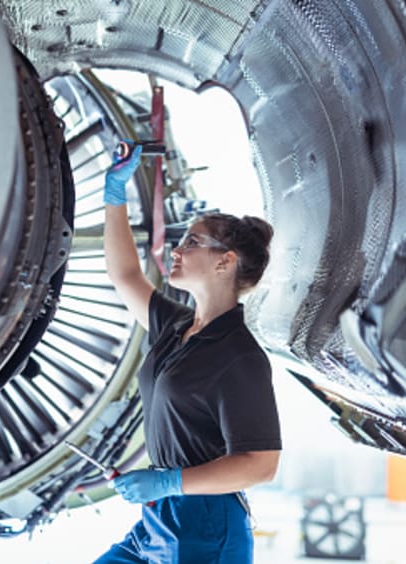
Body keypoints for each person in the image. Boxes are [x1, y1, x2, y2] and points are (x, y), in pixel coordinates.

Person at [94, 142, 282, 563]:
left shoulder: (240, 356)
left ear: (225, 262)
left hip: (205, 527)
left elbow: (261, 465)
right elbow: (124, 274)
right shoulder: (175, 326)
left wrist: (167, 483)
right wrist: (115, 195)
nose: (176, 250)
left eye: (192, 242)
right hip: (161, 519)